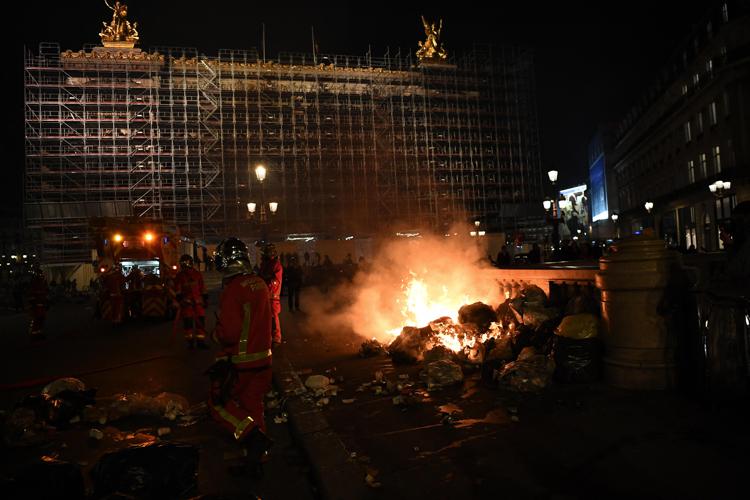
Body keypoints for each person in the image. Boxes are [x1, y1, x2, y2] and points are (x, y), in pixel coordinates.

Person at [210, 237, 274, 471]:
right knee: (253, 405)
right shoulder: (259, 283)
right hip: (263, 359)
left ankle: (253, 439)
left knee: (218, 404)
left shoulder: (233, 289)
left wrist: (215, 335)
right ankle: (257, 456)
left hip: (240, 361)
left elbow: (229, 333)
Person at [174, 254, 209, 349]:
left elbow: (202, 288)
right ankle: (194, 343)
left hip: (194, 304)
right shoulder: (187, 275)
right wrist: (205, 299)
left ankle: (197, 343)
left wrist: (205, 299)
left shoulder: (185, 275)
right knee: (190, 325)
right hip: (190, 305)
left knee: (195, 324)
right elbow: (178, 291)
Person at [258, 243, 283, 345]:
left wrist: (265, 279)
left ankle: (276, 338)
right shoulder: (265, 264)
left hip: (272, 296)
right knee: (265, 318)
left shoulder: (276, 264)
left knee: (273, 317)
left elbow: (275, 281)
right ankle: (268, 337)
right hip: (265, 295)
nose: (262, 255)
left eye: (264, 253)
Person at [27, 266, 49, 341]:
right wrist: (33, 304)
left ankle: (39, 333)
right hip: (36, 307)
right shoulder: (34, 284)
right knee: (36, 320)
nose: (41, 276)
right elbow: (32, 296)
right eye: (40, 274)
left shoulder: (42, 284)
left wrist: (46, 302)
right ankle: (34, 334)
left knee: (41, 320)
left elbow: (44, 294)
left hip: (41, 306)